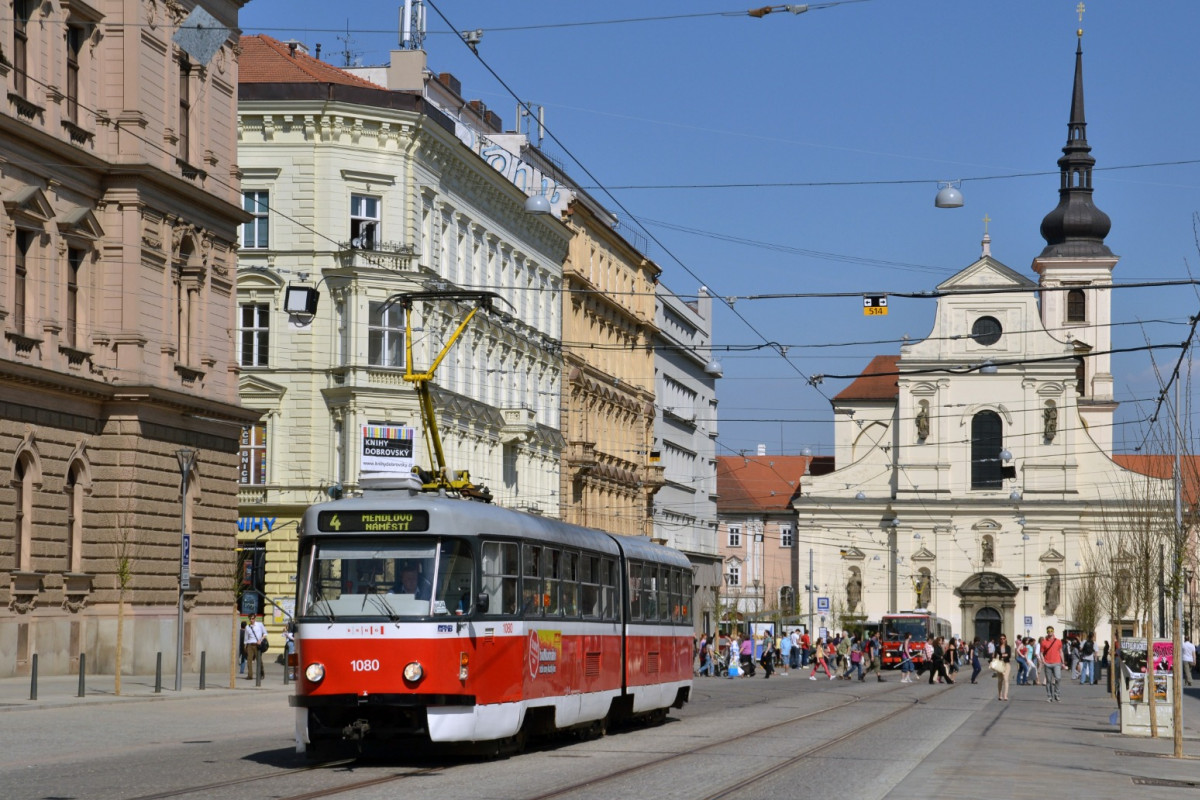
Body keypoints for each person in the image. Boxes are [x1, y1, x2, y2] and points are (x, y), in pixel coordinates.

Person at [1040, 625, 1064, 702]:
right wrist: (1043, 661)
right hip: (1047, 663)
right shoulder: (1044, 642)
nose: (1050, 632)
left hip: (1057, 662)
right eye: (1048, 631)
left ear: (1053, 631)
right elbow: (1041, 653)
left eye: (1051, 631)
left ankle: (1057, 694)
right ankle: (1049, 696)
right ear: (1047, 632)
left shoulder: (1058, 641)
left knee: (1058, 678)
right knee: (1049, 681)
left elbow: (1060, 651)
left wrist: (1063, 662)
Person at [243, 614, 267, 680]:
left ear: (255, 618)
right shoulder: (247, 627)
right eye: (250, 619)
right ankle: (250, 675)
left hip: (257, 645)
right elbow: (246, 637)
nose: (251, 620)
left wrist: (260, 640)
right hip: (250, 645)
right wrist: (245, 646)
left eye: (252, 618)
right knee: (249, 660)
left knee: (259, 660)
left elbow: (265, 633)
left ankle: (261, 673)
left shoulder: (259, 624)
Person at [994, 633, 1013, 701]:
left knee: (1005, 678)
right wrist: (1004, 655)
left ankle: (1005, 695)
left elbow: (1009, 655)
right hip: (1000, 664)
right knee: (1000, 680)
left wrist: (1001, 655)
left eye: (1003, 638)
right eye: (1001, 639)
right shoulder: (997, 647)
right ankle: (1000, 695)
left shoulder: (1008, 647)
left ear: (1006, 639)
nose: (1002, 640)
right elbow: (995, 655)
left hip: (1006, 664)